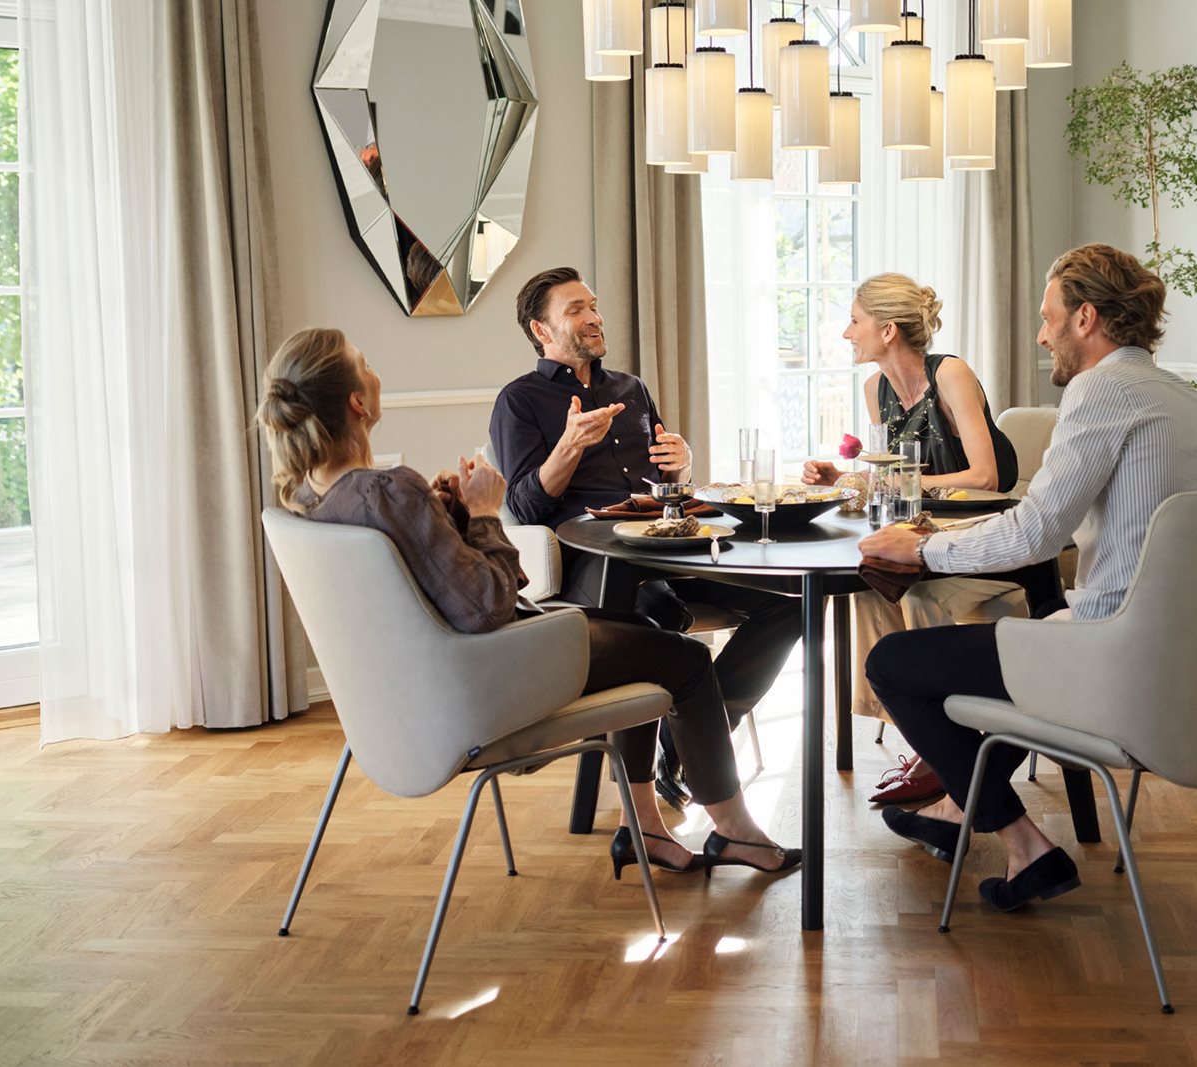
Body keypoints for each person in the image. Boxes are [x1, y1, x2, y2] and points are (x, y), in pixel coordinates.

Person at [255, 326, 800, 878]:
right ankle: (734, 833)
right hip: (495, 672)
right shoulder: (389, 490)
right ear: (356, 401)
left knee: (645, 638)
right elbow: (489, 603)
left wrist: (453, 516)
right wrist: (488, 514)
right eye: (365, 363)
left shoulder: (311, 497)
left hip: (429, 683)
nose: (375, 372)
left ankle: (644, 830)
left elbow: (432, 583)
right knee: (683, 659)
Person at [857, 244, 1197, 913]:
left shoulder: (1102, 389)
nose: (1040, 334)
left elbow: (1037, 532)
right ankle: (953, 811)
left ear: (1085, 318)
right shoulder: (1182, 395)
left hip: (1116, 657)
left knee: (895, 662)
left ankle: (1023, 841)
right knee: (1008, 649)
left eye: (1047, 316)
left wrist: (920, 553)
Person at [489, 267, 802, 806]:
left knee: (791, 605)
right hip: (595, 566)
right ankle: (658, 783)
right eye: (575, 310)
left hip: (668, 550)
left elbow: (663, 486)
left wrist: (680, 467)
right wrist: (568, 447)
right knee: (661, 627)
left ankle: (684, 745)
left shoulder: (629, 388)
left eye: (593, 305)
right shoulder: (520, 400)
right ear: (542, 331)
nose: (593, 318)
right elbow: (522, 507)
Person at [799, 272, 1058, 805]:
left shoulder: (951, 375)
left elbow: (985, 476)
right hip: (927, 536)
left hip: (988, 541)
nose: (847, 333)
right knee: (870, 588)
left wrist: (889, 482)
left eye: (854, 320)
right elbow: (891, 482)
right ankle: (927, 740)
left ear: (888, 329)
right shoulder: (876, 389)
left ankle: (938, 757)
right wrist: (846, 481)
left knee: (913, 592)